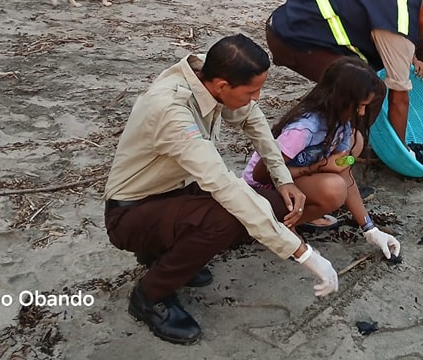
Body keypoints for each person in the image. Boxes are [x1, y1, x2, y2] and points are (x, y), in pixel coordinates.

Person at [103, 35, 339, 345]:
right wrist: (305, 254)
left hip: (178, 191)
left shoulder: (210, 72)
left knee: (265, 205)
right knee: (228, 217)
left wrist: (283, 179)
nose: (257, 98)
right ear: (222, 86)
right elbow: (222, 183)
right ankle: (149, 297)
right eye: (251, 91)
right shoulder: (171, 110)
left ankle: (164, 255)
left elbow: (253, 120)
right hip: (131, 212)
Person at [266, 0, 423, 143]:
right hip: (289, 37)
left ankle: (297, 129)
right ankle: (341, 149)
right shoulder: (398, 28)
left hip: (288, 18)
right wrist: (402, 149)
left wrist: (412, 58)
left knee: (352, 79)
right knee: (366, 91)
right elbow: (399, 99)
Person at [243, 57, 401, 257]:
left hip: (292, 181)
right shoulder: (303, 130)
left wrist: (370, 228)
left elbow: (346, 174)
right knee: (333, 189)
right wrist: (319, 166)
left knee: (355, 142)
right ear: (341, 99)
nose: (362, 113)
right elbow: (261, 175)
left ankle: (296, 218)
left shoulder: (340, 124)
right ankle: (280, 228)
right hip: (262, 190)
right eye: (359, 105)